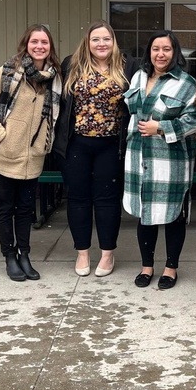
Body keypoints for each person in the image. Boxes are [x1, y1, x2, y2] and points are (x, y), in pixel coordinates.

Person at [0, 24, 63, 282]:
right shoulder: (6, 74)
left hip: (33, 157)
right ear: (26, 44)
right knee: (5, 208)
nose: (39, 46)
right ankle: (9, 256)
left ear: (50, 47)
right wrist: (3, 137)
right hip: (5, 155)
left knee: (25, 209)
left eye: (44, 42)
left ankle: (25, 254)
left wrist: (44, 145)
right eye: (35, 41)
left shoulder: (53, 79)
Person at [52, 21, 136, 278]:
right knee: (78, 198)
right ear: (87, 43)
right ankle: (83, 252)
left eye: (106, 39)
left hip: (111, 145)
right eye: (95, 39)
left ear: (113, 42)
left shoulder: (127, 66)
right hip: (76, 144)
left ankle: (108, 253)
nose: (101, 44)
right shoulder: (71, 65)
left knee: (107, 200)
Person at [123, 30, 196, 290]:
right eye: (156, 48)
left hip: (171, 160)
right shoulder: (138, 76)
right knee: (145, 214)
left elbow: (194, 120)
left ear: (174, 52)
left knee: (172, 215)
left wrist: (162, 128)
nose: (160, 54)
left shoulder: (187, 82)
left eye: (166, 49)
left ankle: (171, 267)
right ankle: (147, 266)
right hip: (139, 156)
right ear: (149, 52)